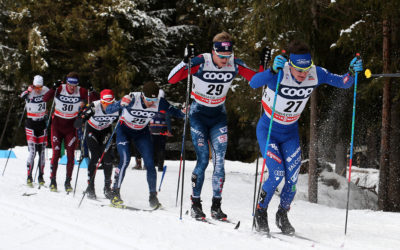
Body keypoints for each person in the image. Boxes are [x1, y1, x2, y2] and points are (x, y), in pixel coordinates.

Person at [250, 40, 363, 235]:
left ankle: (282, 214)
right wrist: (271, 71)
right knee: (276, 174)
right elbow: (253, 82)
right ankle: (260, 212)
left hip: (290, 133)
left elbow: (343, 82)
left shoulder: (315, 73)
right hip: (268, 130)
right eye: (298, 70)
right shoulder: (279, 72)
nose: (303, 74)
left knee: (292, 178)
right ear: (290, 65)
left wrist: (352, 73)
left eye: (306, 69)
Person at [168, 31, 257, 220]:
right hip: (198, 115)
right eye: (221, 56)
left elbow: (257, 80)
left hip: (218, 116)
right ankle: (195, 204)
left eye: (228, 56)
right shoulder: (201, 61)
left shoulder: (234, 63)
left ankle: (216, 206)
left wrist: (270, 69)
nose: (225, 61)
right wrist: (185, 62)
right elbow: (172, 79)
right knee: (202, 160)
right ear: (213, 51)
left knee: (219, 161)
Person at [105, 81, 185, 208]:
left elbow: (175, 112)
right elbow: (108, 110)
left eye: (153, 99)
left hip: (141, 133)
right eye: (148, 99)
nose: (151, 103)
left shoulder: (160, 102)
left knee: (150, 163)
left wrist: (183, 112)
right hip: (124, 130)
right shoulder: (132, 99)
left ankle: (153, 197)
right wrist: (120, 103)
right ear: (142, 95)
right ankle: (115, 192)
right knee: (125, 159)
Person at [43, 72, 93, 192]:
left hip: (71, 127)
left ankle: (67, 182)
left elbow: (96, 99)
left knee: (71, 156)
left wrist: (91, 91)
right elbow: (45, 98)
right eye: (70, 84)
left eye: (74, 85)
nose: (72, 87)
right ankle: (53, 180)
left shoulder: (80, 91)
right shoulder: (60, 88)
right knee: (56, 153)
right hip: (57, 126)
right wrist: (53, 88)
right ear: (66, 82)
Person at [74, 89, 119, 199]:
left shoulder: (118, 108)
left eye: (110, 103)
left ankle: (107, 188)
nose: (107, 106)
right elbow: (80, 118)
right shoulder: (94, 106)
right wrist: (81, 119)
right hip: (92, 131)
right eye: (104, 103)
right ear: (101, 101)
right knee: (95, 157)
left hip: (105, 131)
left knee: (108, 158)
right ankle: (91, 187)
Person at [20, 75, 49, 187]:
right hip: (31, 123)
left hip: (42, 123)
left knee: (41, 152)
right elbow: (22, 96)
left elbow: (53, 94)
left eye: (40, 87)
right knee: (32, 152)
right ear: (33, 85)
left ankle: (41, 176)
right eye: (36, 87)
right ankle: (29, 176)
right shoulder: (30, 91)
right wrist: (28, 91)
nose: (38, 89)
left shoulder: (45, 89)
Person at [148, 89, 172, 172]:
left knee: (152, 147)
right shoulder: (165, 105)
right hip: (162, 130)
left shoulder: (151, 104)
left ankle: (153, 164)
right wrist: (169, 130)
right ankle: (160, 166)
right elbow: (168, 118)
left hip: (152, 129)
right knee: (161, 148)